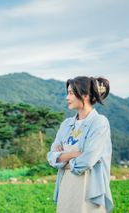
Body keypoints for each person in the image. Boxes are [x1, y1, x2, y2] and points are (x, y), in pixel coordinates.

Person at [47, 76, 113, 213]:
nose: (67, 97)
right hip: (66, 185)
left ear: (85, 95)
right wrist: (75, 154)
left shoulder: (99, 122)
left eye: (71, 93)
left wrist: (63, 157)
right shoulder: (66, 124)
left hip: (89, 188)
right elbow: (51, 156)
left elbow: (88, 160)